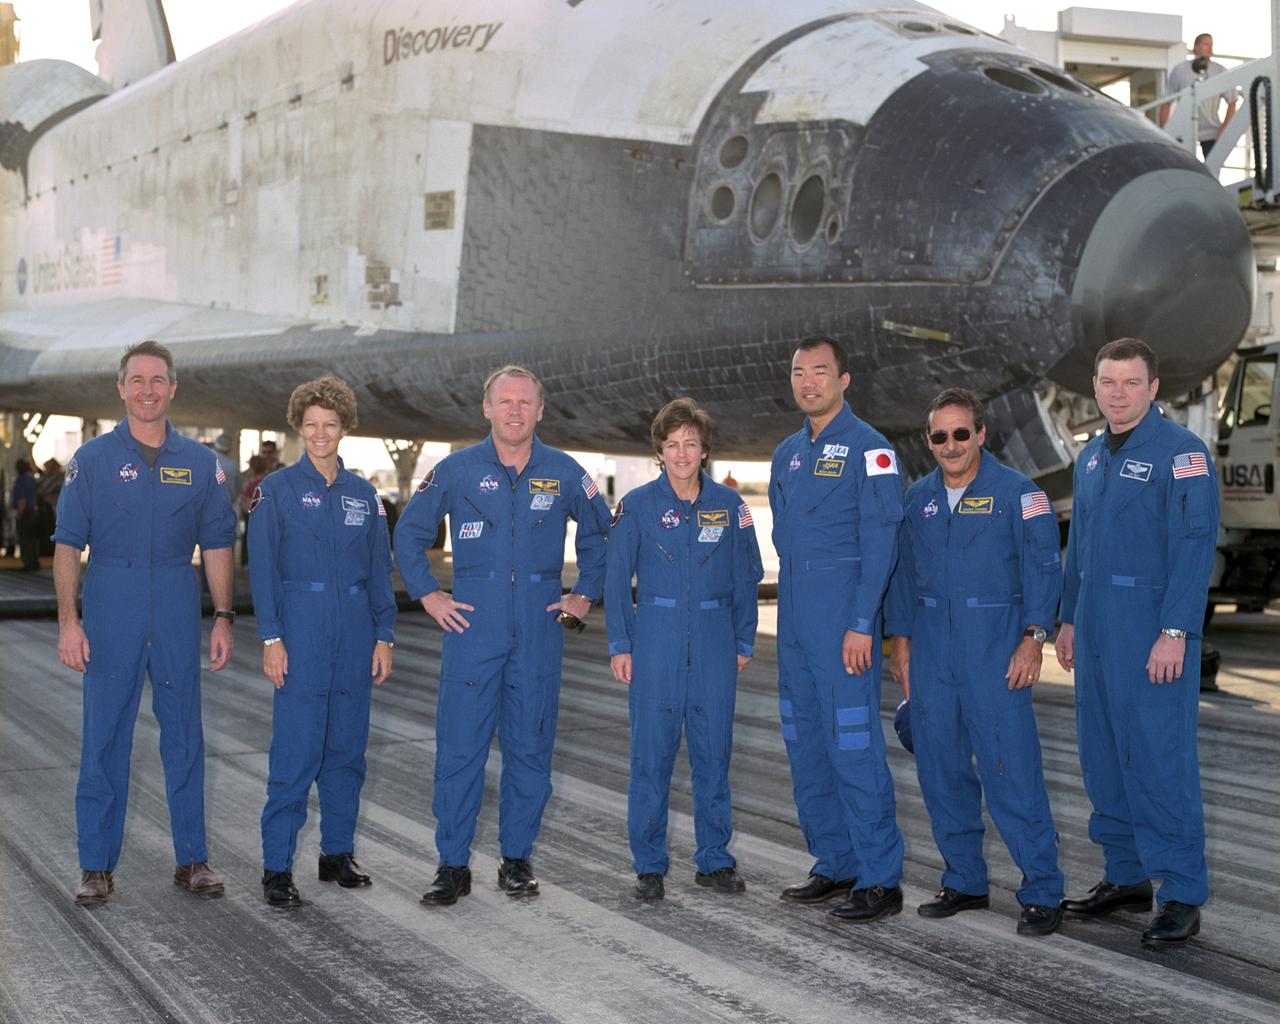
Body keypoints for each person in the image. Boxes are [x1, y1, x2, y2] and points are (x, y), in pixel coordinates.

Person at [395, 365, 611, 905]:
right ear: (486, 408)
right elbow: (407, 533)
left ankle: (516, 860)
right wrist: (427, 592)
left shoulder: (564, 472)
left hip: (539, 629)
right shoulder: (455, 470)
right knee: (461, 750)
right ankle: (452, 864)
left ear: (540, 410)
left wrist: (583, 593)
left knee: (530, 750)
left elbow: (603, 533)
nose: (515, 410)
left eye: (525, 402)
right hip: (473, 626)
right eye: (505, 401)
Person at [52, 340, 236, 906]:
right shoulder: (93, 461)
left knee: (184, 735)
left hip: (178, 599)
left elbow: (219, 544)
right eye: (138, 380)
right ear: (122, 388)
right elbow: (65, 545)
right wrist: (68, 621)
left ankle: (193, 859)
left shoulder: (203, 463)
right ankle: (95, 866)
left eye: (158, 380)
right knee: (105, 736)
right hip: (113, 600)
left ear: (173, 388)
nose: (148, 390)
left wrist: (224, 616)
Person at [1055, 337, 1219, 949]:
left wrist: (1176, 632)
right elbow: (1081, 551)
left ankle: (1179, 891)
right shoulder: (1091, 458)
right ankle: (1126, 876)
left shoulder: (1184, 456)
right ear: (1094, 387)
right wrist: (1067, 618)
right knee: (1101, 757)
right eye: (1107, 382)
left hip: (1151, 632)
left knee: (1159, 762)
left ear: (1154, 389)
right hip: (1095, 631)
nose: (1117, 394)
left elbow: (1193, 550)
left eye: (1130, 383)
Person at [885, 388, 1065, 936]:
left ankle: (1041, 891)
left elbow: (1045, 568)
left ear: (981, 434)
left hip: (996, 651)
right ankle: (964, 879)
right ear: (929, 440)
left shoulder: (1019, 494)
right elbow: (903, 578)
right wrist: (900, 642)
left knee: (1012, 772)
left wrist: (1035, 638)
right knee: (941, 773)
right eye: (940, 436)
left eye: (961, 433)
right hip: (934, 653)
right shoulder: (917, 500)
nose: (951, 445)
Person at [769, 335, 905, 922]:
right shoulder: (786, 454)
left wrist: (860, 624)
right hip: (796, 626)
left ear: (844, 380)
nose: (809, 382)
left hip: (843, 628)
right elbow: (782, 534)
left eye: (821, 372)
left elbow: (881, 545)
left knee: (854, 747)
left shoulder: (870, 450)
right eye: (800, 372)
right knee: (808, 748)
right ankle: (835, 862)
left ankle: (880, 878)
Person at [605, 399, 763, 901]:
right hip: (654, 643)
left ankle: (714, 860)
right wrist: (619, 644)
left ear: (704, 449)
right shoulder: (636, 506)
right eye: (672, 444)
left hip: (716, 646)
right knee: (650, 761)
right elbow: (614, 583)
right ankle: (649, 866)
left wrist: (742, 638)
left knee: (713, 758)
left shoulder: (731, 507)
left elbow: (747, 576)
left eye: (690, 443)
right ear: (659, 450)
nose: (681, 453)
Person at [248, 376, 396, 908]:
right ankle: (276, 868)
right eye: (310, 425)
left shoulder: (365, 496)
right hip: (302, 633)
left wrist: (384, 635)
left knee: (347, 753)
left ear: (344, 428)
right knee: (296, 752)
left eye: (329, 424)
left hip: (355, 635)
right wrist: (272, 638)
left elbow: (380, 571)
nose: (319, 434)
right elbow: (262, 572)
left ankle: (336, 854)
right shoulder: (277, 491)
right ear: (298, 428)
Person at [1158, 33, 1237, 158]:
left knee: (1212, 171)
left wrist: (1224, 128)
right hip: (1184, 131)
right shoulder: (1179, 70)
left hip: (1212, 132)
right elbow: (1166, 102)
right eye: (1206, 44)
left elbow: (1232, 101)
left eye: (1211, 45)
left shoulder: (1220, 71)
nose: (1210, 48)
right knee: (1184, 170)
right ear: (1196, 47)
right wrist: (1164, 131)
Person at [11, 458, 40, 571]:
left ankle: (28, 562)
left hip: (26, 512)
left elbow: (21, 499)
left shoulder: (21, 480)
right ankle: (34, 561)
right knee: (32, 539)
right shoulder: (31, 479)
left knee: (25, 538)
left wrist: (19, 513)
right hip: (34, 511)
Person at [240, 455, 268, 566]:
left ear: (252, 468)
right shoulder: (268, 481)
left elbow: (247, 507)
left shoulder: (252, 485)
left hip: (252, 519)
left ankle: (247, 563)